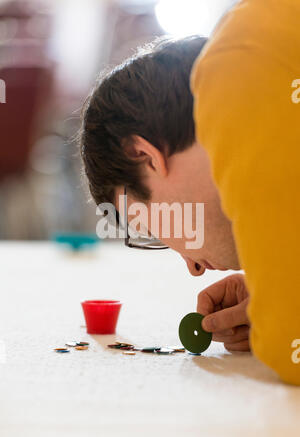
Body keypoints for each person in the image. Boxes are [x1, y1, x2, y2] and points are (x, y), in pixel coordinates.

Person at [79, 0, 300, 385]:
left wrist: (282, 310)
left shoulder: (235, 65)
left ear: (145, 156)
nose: (193, 266)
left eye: (144, 225)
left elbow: (289, 347)